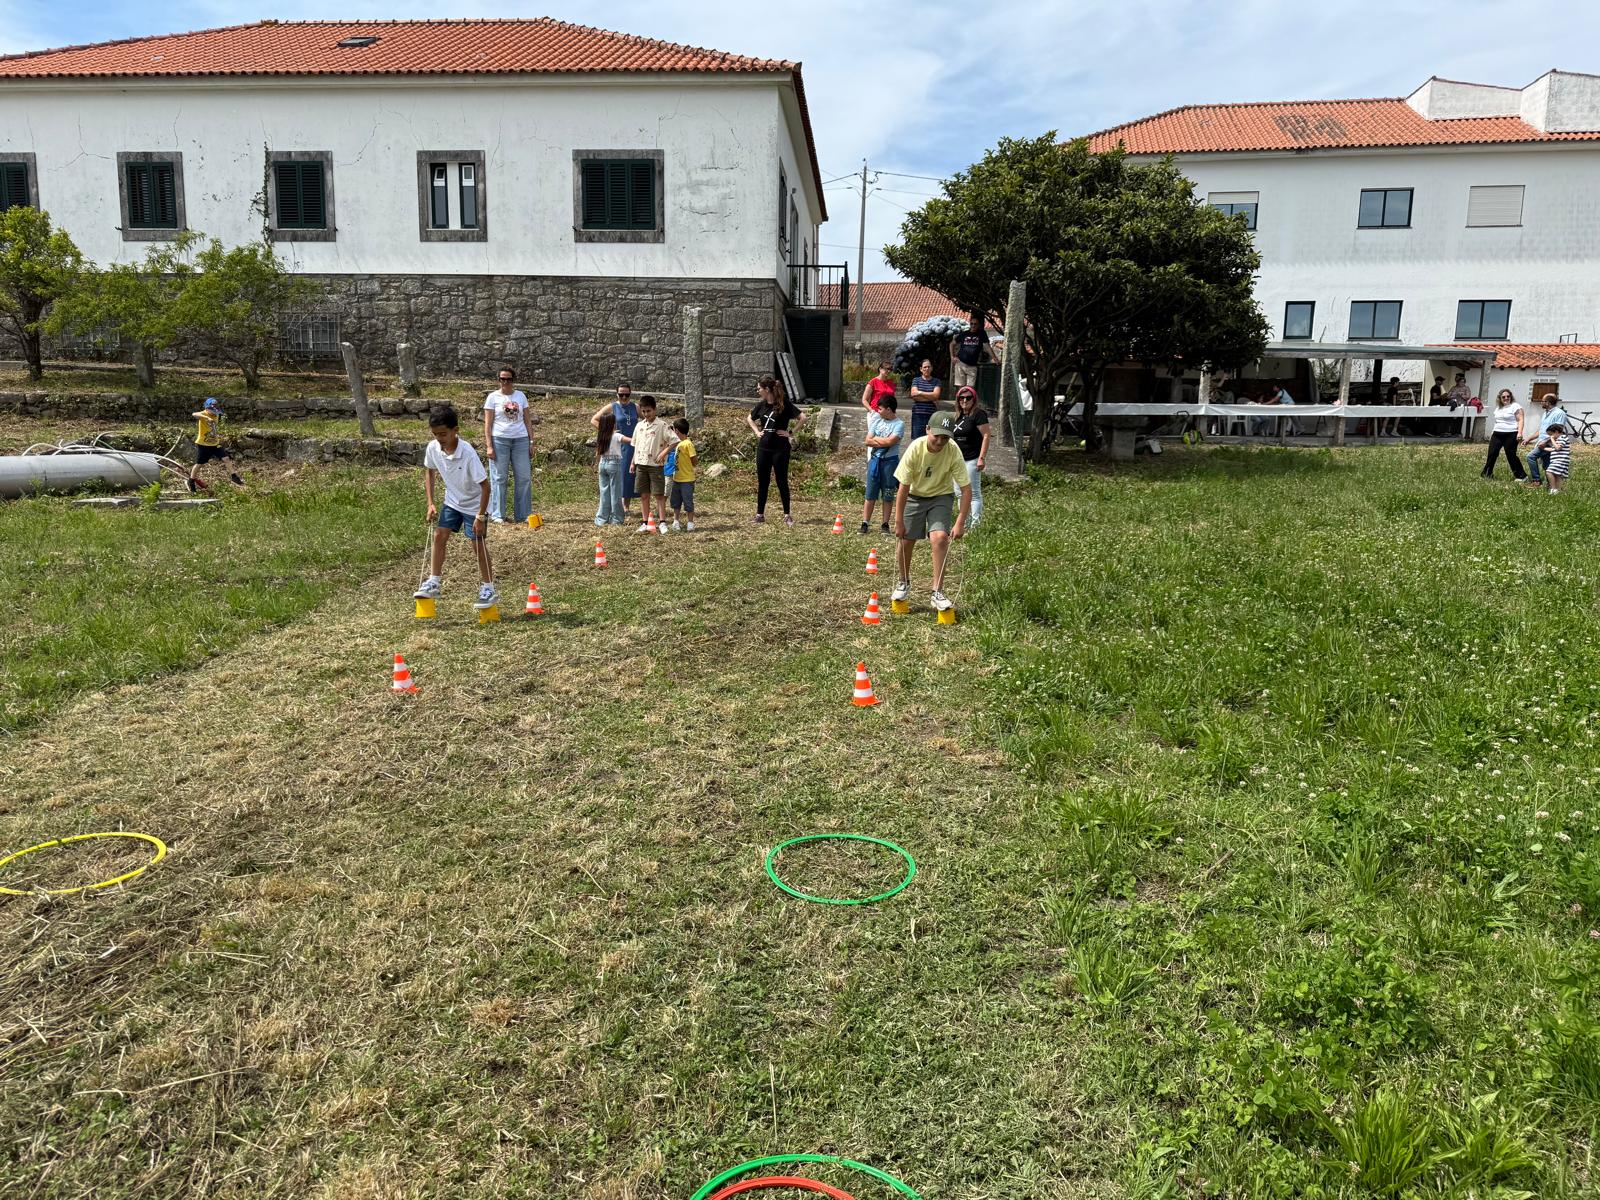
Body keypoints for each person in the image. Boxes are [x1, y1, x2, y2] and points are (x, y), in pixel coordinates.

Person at [413, 404, 496, 609]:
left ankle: (488, 588)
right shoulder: (433, 448)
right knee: (439, 535)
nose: (439, 438)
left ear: (455, 430)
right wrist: (431, 503)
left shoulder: (467, 453)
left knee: (477, 545)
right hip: (452, 501)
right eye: (435, 434)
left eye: (443, 434)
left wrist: (480, 516)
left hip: (475, 504)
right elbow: (429, 471)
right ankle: (433, 582)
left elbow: (486, 487)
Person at [891, 412, 971, 613]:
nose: (940, 441)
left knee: (940, 538)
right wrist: (898, 521)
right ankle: (903, 582)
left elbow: (966, 489)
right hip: (914, 496)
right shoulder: (916, 448)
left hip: (940, 496)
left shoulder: (953, 450)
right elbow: (903, 488)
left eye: (945, 437)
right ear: (927, 429)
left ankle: (937, 591)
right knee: (906, 540)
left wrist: (960, 522)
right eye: (937, 436)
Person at [748, 374, 804, 525]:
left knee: (781, 481)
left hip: (780, 449)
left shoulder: (784, 404)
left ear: (767, 389)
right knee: (763, 481)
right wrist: (756, 432)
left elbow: (803, 418)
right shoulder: (761, 405)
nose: (757, 391)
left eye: (759, 388)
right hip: (763, 449)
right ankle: (760, 515)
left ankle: (787, 515)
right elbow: (749, 418)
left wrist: (790, 433)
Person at [482, 366, 533, 524]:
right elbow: (488, 424)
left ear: (513, 380)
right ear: (498, 380)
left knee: (524, 477)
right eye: (502, 379)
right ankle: (498, 514)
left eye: (509, 379)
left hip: (520, 439)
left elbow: (527, 420)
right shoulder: (492, 397)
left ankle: (523, 514)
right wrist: (489, 445)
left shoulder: (521, 396)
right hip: (499, 439)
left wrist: (531, 441)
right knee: (499, 477)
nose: (505, 382)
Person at [628, 395, 678, 533]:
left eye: (649, 411)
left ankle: (662, 522)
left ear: (655, 410)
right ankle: (645, 522)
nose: (646, 414)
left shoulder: (662, 425)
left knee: (659, 494)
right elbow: (636, 446)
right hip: (641, 464)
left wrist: (663, 453)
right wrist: (633, 462)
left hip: (656, 466)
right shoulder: (639, 426)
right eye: (643, 411)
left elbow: (675, 440)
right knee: (644, 494)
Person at [590, 382, 639, 522]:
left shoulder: (635, 407)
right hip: (618, 444)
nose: (624, 397)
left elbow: (647, 417)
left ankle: (626, 506)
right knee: (619, 477)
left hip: (632, 444)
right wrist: (607, 431)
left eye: (627, 395)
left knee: (629, 476)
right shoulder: (612, 406)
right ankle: (615, 511)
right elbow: (594, 419)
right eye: (621, 394)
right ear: (617, 394)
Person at [860, 393, 904, 534]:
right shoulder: (877, 421)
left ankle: (885, 524)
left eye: (880, 409)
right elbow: (867, 441)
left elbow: (891, 442)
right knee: (870, 493)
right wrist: (883, 441)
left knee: (888, 493)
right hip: (875, 461)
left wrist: (877, 440)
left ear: (888, 409)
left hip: (890, 463)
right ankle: (865, 522)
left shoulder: (899, 424)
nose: (878, 411)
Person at [949, 385, 990, 527]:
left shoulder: (978, 414)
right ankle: (963, 523)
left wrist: (982, 458)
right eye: (961, 398)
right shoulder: (957, 416)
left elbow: (986, 435)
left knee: (973, 492)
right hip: (957, 460)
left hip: (972, 459)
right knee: (959, 492)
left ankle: (975, 524)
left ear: (974, 399)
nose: (964, 400)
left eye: (968, 398)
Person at [187, 397, 245, 490]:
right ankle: (191, 481)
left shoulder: (216, 415)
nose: (214, 413)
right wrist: (206, 417)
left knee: (226, 458)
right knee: (199, 464)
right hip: (203, 444)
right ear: (207, 408)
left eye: (215, 411)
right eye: (212, 411)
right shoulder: (203, 414)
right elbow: (194, 414)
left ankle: (234, 477)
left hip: (215, 444)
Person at [1522, 392, 1569, 488]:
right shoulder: (1545, 413)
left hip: (1549, 443)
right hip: (1542, 442)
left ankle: (1536, 481)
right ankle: (1551, 485)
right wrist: (1529, 439)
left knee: (1530, 457)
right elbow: (1541, 430)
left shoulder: (1559, 413)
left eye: (1542, 401)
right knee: (1547, 465)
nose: (1541, 403)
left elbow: (1558, 431)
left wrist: (1545, 442)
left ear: (1548, 402)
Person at [1482, 388, 1527, 480]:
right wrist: (1492, 433)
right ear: (1500, 398)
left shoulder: (1515, 406)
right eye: (1503, 397)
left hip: (1511, 434)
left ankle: (1521, 476)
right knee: (1492, 454)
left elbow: (1520, 420)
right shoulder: (1498, 408)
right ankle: (1487, 474)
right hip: (1497, 434)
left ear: (1511, 397)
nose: (1506, 398)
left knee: (1511, 455)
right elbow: (1497, 422)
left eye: (1508, 396)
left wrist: (1520, 433)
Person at [593, 409, 625, 526]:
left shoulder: (602, 435)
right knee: (615, 492)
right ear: (612, 424)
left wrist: (596, 465)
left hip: (602, 464)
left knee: (604, 492)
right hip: (614, 464)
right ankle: (616, 519)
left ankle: (602, 518)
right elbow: (630, 441)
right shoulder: (617, 436)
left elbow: (598, 452)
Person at [949, 315, 991, 392]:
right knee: (961, 389)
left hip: (972, 365)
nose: (973, 325)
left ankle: (969, 400)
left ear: (978, 325)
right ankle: (959, 400)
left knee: (970, 389)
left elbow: (987, 346)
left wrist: (995, 358)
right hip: (961, 363)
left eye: (975, 324)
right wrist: (952, 356)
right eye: (971, 323)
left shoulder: (981, 334)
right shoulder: (964, 334)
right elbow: (952, 344)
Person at [669, 417, 697, 531]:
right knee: (676, 502)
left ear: (677, 431)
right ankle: (676, 521)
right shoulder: (678, 444)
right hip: (677, 478)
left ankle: (690, 522)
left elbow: (694, 459)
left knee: (688, 502)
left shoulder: (688, 444)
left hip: (687, 480)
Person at [909, 358, 943, 441]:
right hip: (918, 414)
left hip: (932, 415)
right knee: (917, 440)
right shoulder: (916, 380)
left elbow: (936, 396)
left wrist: (920, 393)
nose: (927, 369)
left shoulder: (936, 381)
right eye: (924, 367)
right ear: (921, 369)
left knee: (931, 439)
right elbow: (913, 395)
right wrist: (931, 397)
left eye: (928, 367)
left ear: (932, 368)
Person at [1541, 422, 1573, 493]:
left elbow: (1558, 448)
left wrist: (1552, 439)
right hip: (1558, 460)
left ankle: (1553, 489)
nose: (1550, 436)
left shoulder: (1562, 438)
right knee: (1558, 475)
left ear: (1556, 432)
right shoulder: (1558, 440)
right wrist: (1543, 448)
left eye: (1551, 434)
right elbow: (1553, 449)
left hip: (1560, 460)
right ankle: (1558, 490)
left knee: (1549, 472)